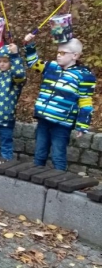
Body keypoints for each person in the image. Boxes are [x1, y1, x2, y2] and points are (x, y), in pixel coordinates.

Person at [25, 34, 96, 170]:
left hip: (62, 123)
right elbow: (33, 63)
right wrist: (29, 45)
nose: (58, 55)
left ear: (75, 56)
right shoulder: (51, 67)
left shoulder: (84, 76)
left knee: (58, 156)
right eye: (58, 52)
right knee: (39, 154)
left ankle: (60, 180)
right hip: (44, 119)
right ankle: (36, 178)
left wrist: (82, 124)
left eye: (63, 53)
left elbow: (85, 102)